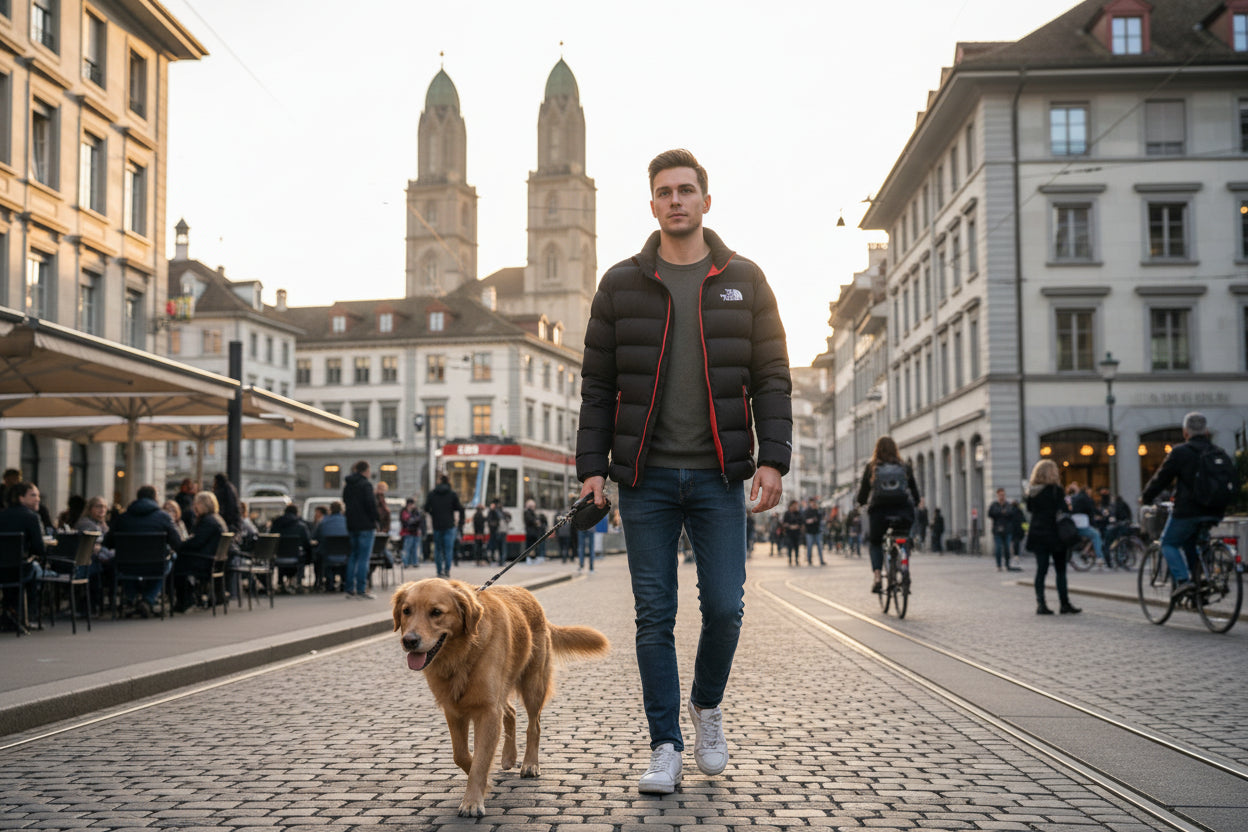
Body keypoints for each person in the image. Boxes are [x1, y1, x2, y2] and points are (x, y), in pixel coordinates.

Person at [576, 148, 791, 794]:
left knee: (725, 607)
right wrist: (592, 469)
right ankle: (665, 745)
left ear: (705, 200)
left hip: (719, 476)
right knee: (654, 615)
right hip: (645, 480)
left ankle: (706, 704)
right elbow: (598, 386)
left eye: (686, 190)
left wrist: (773, 458)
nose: (676, 200)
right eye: (665, 192)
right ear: (652, 205)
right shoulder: (620, 284)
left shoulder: (745, 279)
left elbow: (772, 376)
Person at [1140, 411, 1236, 600]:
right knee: (1192, 543)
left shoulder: (1180, 452)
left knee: (1168, 543)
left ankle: (1184, 581)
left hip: (1188, 511)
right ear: (1206, 431)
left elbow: (1161, 479)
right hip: (1215, 511)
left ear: (1185, 432)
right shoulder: (1218, 452)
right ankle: (1200, 583)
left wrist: (1146, 498)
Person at [856, 436, 921, 594]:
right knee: (903, 538)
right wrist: (916, 502)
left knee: (876, 543)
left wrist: (862, 503)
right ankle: (904, 566)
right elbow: (915, 492)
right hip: (903, 511)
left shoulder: (872, 467)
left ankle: (878, 577)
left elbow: (862, 495)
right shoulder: (904, 466)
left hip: (880, 512)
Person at [106, 484, 181, 618]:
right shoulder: (163, 517)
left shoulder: (123, 518)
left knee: (121, 563)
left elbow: (108, 542)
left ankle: (132, 597)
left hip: (126, 566)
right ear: (155, 498)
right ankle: (148, 599)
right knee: (169, 560)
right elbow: (177, 542)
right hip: (155, 566)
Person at [1025, 459, 1081, 615]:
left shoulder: (1032, 492)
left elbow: (1030, 509)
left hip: (1038, 534)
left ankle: (1041, 604)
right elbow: (1063, 510)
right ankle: (1064, 604)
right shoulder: (1056, 490)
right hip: (1055, 534)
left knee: (1041, 570)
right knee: (1060, 571)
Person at [172, 491, 228, 613]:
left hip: (204, 561)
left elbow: (197, 542)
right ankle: (189, 598)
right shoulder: (217, 519)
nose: (194, 507)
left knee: (176, 565)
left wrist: (181, 545)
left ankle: (185, 600)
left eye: (196, 504)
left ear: (202, 505)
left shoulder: (207, 521)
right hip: (213, 561)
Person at [0, 481, 47, 625]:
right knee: (34, 570)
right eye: (33, 495)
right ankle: (28, 614)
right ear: (21, 498)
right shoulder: (31, 517)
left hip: (2, 570)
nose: (38, 499)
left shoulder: (2, 515)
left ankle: (10, 611)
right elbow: (39, 549)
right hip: (19, 570)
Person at [341, 460, 378, 600]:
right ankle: (362, 589)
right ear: (366, 470)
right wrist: (375, 519)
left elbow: (345, 501)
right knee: (364, 558)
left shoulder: (348, 485)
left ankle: (349, 588)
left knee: (353, 556)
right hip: (366, 525)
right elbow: (370, 504)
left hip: (352, 525)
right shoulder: (366, 485)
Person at [423, 474, 463, 578]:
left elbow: (426, 508)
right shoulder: (452, 494)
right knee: (448, 550)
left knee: (438, 550)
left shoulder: (432, 494)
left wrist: (433, 514)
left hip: (437, 525)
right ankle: (447, 570)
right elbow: (460, 508)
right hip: (449, 525)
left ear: (439, 481)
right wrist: (460, 523)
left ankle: (439, 571)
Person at [269, 503, 313, 592]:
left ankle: (280, 582)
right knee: (304, 554)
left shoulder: (276, 524)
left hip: (279, 557)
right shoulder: (301, 526)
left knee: (281, 550)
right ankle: (298, 582)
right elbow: (307, 543)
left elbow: (271, 540)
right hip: (296, 558)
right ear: (296, 513)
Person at [314, 501, 348, 591]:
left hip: (327, 555)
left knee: (319, 554)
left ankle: (327, 581)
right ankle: (344, 582)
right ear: (341, 510)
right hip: (344, 555)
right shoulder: (347, 522)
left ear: (330, 510)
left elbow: (315, 536)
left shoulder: (323, 522)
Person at [988, 489, 1022, 572]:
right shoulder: (994, 505)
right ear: (997, 495)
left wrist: (1000, 513)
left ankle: (1007, 564)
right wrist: (1002, 512)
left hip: (1007, 530)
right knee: (998, 548)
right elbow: (990, 514)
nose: (1002, 497)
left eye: (1003, 495)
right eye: (1000, 495)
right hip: (997, 530)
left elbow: (1011, 513)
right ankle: (999, 565)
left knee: (1007, 548)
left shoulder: (1008, 505)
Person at [399, 497, 425, 568]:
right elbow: (405, 522)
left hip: (415, 532)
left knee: (415, 549)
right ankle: (406, 563)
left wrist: (412, 521)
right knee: (407, 548)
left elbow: (419, 520)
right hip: (407, 532)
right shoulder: (404, 511)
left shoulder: (416, 511)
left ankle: (414, 562)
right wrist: (413, 521)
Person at [802, 496, 825, 566]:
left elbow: (820, 519)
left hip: (817, 531)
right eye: (812, 502)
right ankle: (809, 560)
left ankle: (821, 560)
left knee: (820, 547)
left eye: (814, 502)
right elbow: (805, 521)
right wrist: (811, 520)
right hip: (809, 531)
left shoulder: (817, 510)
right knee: (809, 546)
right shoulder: (807, 511)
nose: (813, 503)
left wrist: (817, 512)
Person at [486, 499, 509, 565]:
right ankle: (499, 560)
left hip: (501, 531)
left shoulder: (503, 513)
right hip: (497, 531)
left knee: (502, 546)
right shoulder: (494, 512)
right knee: (498, 546)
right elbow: (490, 520)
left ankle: (502, 560)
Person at [781, 500, 803, 566]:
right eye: (794, 505)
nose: (795, 507)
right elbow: (784, 523)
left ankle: (796, 560)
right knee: (790, 546)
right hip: (789, 533)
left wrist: (797, 526)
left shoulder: (798, 513)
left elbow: (801, 522)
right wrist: (789, 526)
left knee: (796, 546)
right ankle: (790, 560)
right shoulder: (787, 513)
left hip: (796, 532)